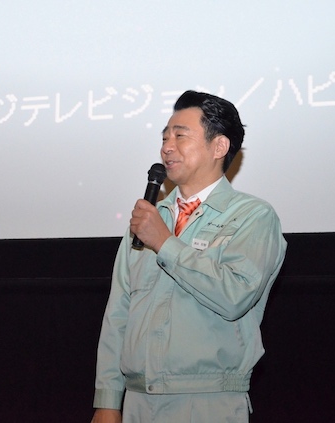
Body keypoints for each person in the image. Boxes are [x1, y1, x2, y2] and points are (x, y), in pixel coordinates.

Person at [91, 90, 287, 423]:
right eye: (164, 137)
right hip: (138, 400)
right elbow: (119, 312)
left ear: (219, 146)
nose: (167, 147)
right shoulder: (150, 218)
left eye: (180, 136)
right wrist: (108, 400)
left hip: (208, 400)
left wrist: (164, 243)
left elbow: (235, 295)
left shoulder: (252, 216)